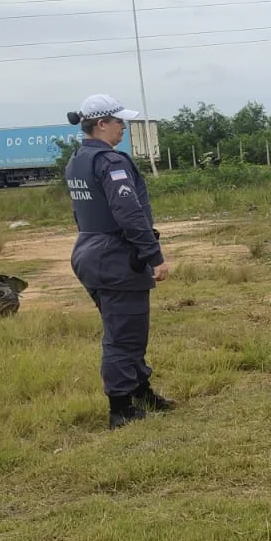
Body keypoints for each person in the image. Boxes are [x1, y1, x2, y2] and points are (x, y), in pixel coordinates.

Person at [64, 94, 175, 430]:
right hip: (115, 256)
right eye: (118, 121)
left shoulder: (77, 161)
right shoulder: (110, 162)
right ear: (101, 124)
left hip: (88, 250)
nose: (123, 127)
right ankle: (121, 408)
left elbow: (79, 213)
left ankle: (141, 391)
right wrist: (153, 256)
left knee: (127, 328)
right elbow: (129, 212)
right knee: (124, 336)